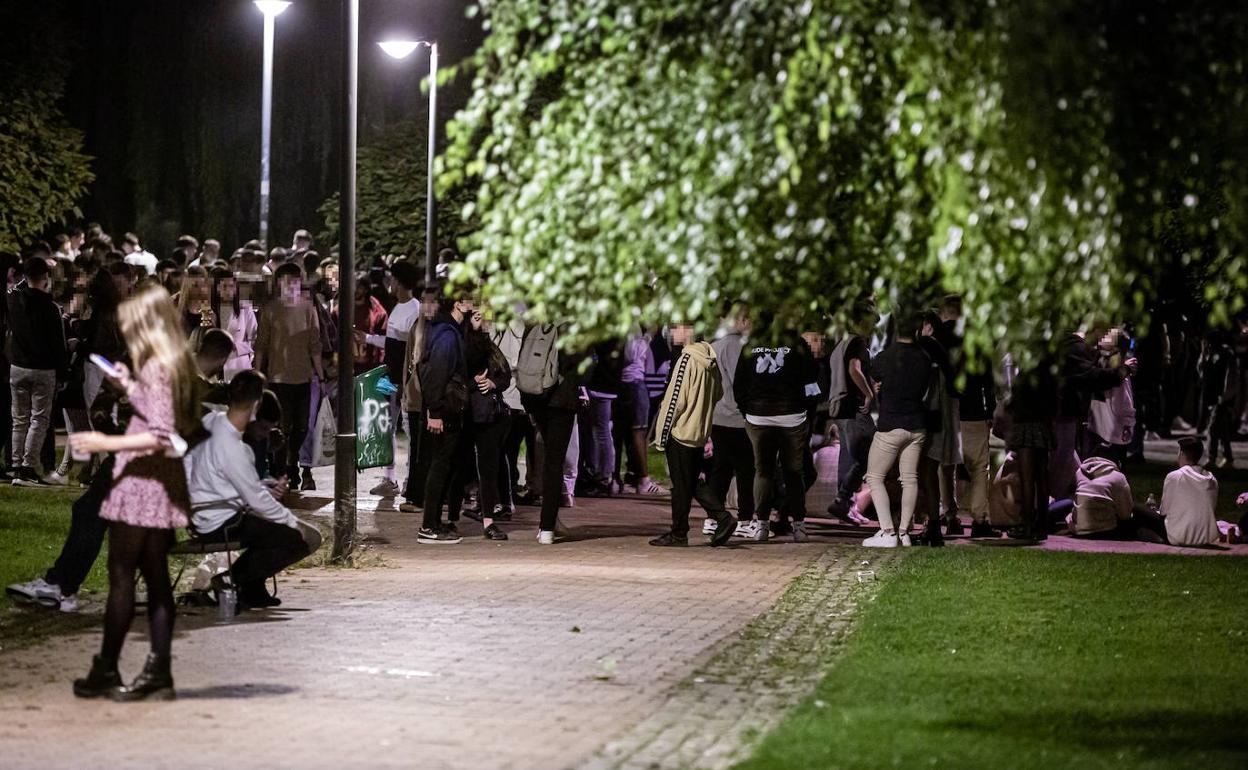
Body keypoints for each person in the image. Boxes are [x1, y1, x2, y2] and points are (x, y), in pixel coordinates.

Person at [69, 283, 198, 701]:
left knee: (122, 576)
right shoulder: (173, 363)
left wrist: (102, 443)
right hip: (161, 480)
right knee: (156, 577)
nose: (127, 334)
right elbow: (164, 416)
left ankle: (108, 668)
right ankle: (156, 670)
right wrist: (129, 387)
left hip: (143, 481)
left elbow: (159, 434)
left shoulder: (158, 365)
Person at [189, 370, 322, 609]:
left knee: (273, 530)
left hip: (207, 513)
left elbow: (218, 477)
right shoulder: (233, 447)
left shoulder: (213, 422)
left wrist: (260, 486)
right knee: (301, 539)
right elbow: (259, 502)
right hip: (221, 521)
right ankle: (230, 580)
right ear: (257, 403)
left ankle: (250, 589)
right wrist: (294, 523)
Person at [733, 315, 821, 543]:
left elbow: (739, 384)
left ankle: (761, 524)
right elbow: (812, 382)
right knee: (794, 472)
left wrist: (747, 411)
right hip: (791, 416)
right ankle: (799, 526)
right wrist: (807, 410)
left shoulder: (750, 346)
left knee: (763, 471)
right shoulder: (798, 344)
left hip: (758, 416)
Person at [650, 338, 736, 547]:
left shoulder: (686, 359)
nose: (671, 333)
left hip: (682, 431)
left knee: (681, 485)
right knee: (692, 482)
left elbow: (675, 400)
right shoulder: (710, 359)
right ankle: (722, 518)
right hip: (699, 431)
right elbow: (718, 393)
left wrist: (661, 434)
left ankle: (680, 533)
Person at [861, 310, 930, 548]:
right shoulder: (924, 358)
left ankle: (887, 531)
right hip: (917, 426)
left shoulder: (884, 357)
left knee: (874, 477)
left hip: (891, 424)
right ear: (919, 329)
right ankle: (905, 533)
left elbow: (875, 376)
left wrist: (880, 386)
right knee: (909, 479)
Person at [254, 263, 324, 486]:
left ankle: (292, 461)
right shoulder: (270, 309)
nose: (291, 286)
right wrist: (258, 373)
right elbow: (261, 345)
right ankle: (283, 469)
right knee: (282, 426)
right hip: (278, 378)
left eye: (295, 281)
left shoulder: (308, 307)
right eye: (286, 281)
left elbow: (315, 344)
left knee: (302, 426)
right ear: (278, 283)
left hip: (303, 377)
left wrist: (320, 376)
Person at [356, 261, 421, 497]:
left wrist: (408, 385)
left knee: (409, 430)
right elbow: (393, 344)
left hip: (405, 382)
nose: (389, 284)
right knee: (387, 428)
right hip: (391, 378)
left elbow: (412, 350)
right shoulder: (398, 307)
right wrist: (369, 339)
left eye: (392, 279)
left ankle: (411, 480)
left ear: (399, 282)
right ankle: (389, 478)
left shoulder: (415, 309)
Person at [418, 289, 472, 544]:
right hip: (445, 409)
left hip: (446, 407)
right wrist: (435, 412)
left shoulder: (448, 331)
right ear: (460, 304)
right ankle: (429, 525)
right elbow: (436, 374)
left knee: (444, 465)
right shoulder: (448, 335)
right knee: (440, 466)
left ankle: (435, 522)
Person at [453, 309, 512, 540]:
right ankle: (450, 519)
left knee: (488, 469)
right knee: (459, 467)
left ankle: (489, 519)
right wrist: (472, 382)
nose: (482, 320)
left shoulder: (489, 345)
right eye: (476, 316)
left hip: (488, 416)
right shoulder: (460, 340)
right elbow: (459, 371)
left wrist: (492, 383)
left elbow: (505, 375)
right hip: (465, 414)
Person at [9, 257, 68, 486]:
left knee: (19, 419)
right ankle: (28, 467)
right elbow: (58, 344)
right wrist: (63, 373)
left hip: (18, 366)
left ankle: (15, 466)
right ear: (45, 278)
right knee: (39, 419)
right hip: (43, 369)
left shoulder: (14, 300)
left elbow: (16, 288)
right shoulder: (51, 308)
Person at [707, 303, 759, 539]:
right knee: (745, 470)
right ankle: (745, 519)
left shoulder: (713, 347)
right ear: (742, 321)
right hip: (738, 418)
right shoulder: (739, 348)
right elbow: (743, 383)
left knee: (720, 469)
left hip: (718, 416)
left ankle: (713, 517)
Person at [826, 301, 877, 526]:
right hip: (854, 406)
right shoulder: (857, 341)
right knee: (871, 453)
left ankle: (844, 506)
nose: (874, 324)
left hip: (839, 406)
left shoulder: (841, 343)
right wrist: (868, 393)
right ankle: (843, 498)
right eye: (871, 319)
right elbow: (854, 369)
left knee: (848, 456)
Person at [1135, 437, 1220, 546]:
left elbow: (1163, 512)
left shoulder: (1175, 476)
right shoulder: (1212, 479)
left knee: (1136, 508)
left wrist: (1153, 510)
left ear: (1182, 453)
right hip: (1204, 537)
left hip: (1177, 535)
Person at [212, 267, 258, 380]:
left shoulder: (245, 308)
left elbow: (255, 338)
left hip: (238, 365)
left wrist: (237, 347)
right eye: (224, 287)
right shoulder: (209, 310)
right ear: (217, 288)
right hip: (216, 366)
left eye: (231, 286)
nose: (228, 291)